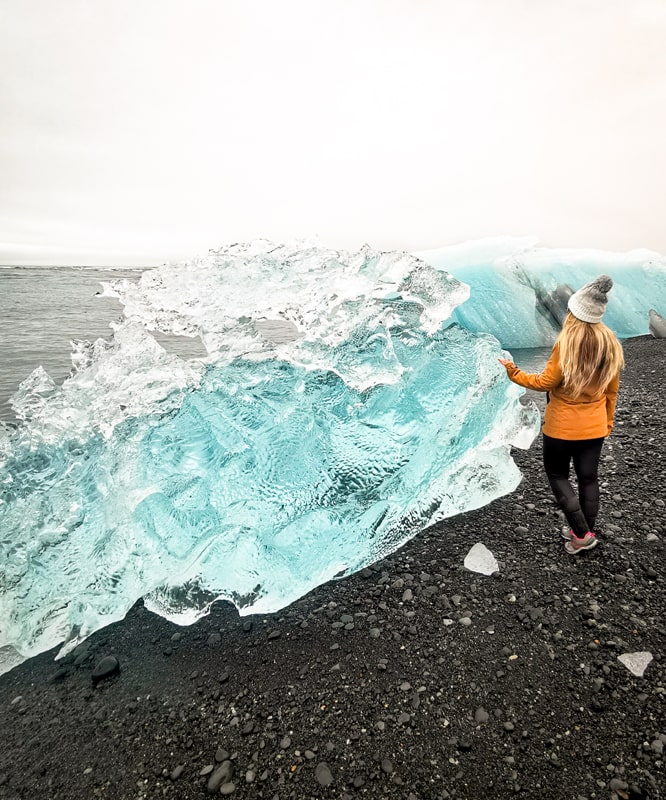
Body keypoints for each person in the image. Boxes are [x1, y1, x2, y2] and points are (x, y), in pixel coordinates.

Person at [498, 275, 624, 554]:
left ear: (574, 312)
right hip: (594, 428)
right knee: (588, 478)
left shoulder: (566, 344)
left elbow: (544, 383)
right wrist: (608, 421)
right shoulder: (611, 345)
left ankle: (581, 535)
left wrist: (513, 372)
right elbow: (611, 392)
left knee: (558, 476)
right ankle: (585, 529)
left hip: (561, 428)